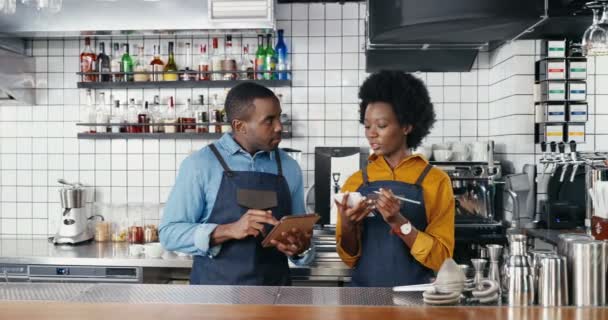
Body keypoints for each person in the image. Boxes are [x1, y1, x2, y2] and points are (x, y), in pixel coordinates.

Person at [160, 82, 313, 286]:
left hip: (275, 298)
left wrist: (300, 248)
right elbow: (169, 234)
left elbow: (300, 235)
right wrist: (229, 229)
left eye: (279, 117)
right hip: (215, 300)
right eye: (269, 120)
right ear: (240, 126)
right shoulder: (200, 165)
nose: (279, 127)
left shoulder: (288, 166)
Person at [335, 71, 455, 287]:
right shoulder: (356, 181)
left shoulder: (436, 181)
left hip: (417, 299)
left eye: (381, 126)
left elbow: (441, 258)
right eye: (367, 125)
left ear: (406, 126)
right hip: (363, 299)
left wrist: (398, 222)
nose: (371, 134)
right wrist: (347, 224)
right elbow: (349, 258)